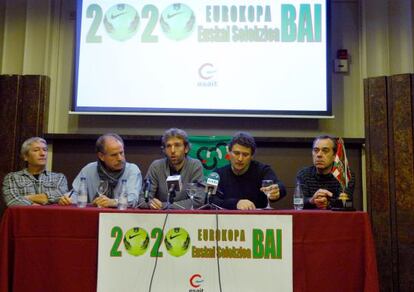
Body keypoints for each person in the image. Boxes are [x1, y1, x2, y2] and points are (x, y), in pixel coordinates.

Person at [60, 133, 142, 208]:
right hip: (93, 217)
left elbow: (133, 199)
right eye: (114, 155)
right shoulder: (88, 170)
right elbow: (76, 194)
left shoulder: (132, 170)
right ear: (101, 156)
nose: (120, 158)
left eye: (121, 153)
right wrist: (67, 199)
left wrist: (112, 202)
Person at [210, 132, 286, 210]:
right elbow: (210, 200)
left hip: (258, 219)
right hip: (226, 220)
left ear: (252, 156)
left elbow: (281, 187)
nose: (240, 159)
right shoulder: (216, 174)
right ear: (229, 153)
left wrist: (277, 190)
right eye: (236, 153)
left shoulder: (263, 170)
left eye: (245, 155)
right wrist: (236, 203)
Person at [138, 128, 204, 209]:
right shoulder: (156, 166)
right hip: (160, 218)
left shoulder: (195, 165)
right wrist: (152, 204)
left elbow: (198, 201)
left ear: (186, 148)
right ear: (164, 150)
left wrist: (164, 206)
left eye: (177, 145)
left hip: (186, 217)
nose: (172, 150)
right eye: (168, 146)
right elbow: (142, 199)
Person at [2, 137, 68, 206]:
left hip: (51, 216)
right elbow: (12, 201)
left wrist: (27, 198)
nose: (42, 153)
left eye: (45, 150)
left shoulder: (59, 178)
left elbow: (61, 195)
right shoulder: (12, 178)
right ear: (25, 156)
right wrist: (33, 205)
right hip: (24, 216)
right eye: (36, 150)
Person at [296, 135, 355, 209]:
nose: (319, 155)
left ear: (334, 156)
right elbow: (298, 201)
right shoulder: (304, 174)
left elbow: (345, 202)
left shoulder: (345, 175)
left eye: (325, 151)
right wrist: (312, 200)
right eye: (316, 150)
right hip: (311, 219)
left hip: (337, 219)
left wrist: (328, 203)